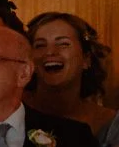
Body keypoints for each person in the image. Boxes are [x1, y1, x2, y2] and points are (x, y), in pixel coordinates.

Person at [26, 11, 114, 140]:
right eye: (40, 45)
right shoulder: (12, 111)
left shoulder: (109, 124)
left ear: (86, 59)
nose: (50, 52)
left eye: (63, 44)